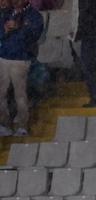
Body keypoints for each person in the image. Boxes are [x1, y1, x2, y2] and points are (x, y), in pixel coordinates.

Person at [0, 0, 43, 136]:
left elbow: (34, 36)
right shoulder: (6, 14)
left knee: (20, 95)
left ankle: (22, 125)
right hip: (3, 57)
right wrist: (5, 30)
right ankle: (4, 124)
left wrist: (19, 27)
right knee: (1, 94)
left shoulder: (34, 15)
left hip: (21, 59)